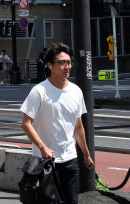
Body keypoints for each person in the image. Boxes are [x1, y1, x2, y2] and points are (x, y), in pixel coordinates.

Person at [20, 42, 94, 204]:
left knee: (72, 201)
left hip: (70, 160)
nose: (67, 66)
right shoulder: (39, 92)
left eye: (68, 62)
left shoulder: (76, 91)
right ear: (49, 66)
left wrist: (87, 155)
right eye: (62, 63)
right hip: (45, 162)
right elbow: (26, 123)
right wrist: (43, 147)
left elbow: (78, 126)